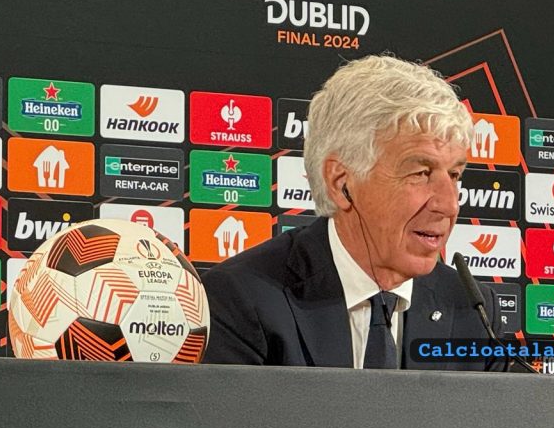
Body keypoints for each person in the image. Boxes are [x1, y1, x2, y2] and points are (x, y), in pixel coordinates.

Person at [202, 55, 500, 370]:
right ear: (341, 183)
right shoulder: (243, 300)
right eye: (420, 173)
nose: (448, 205)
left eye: (454, 175)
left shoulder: (475, 314)